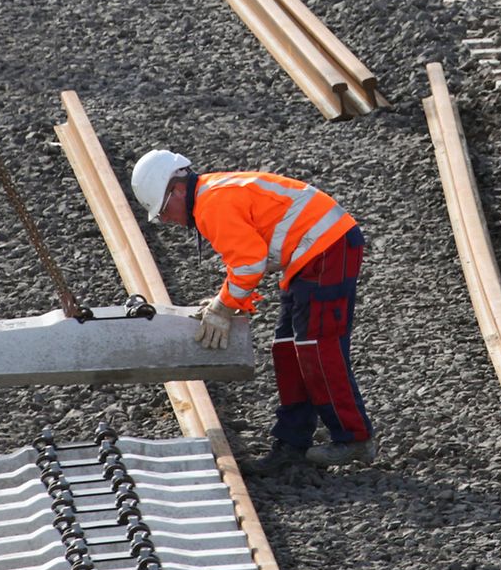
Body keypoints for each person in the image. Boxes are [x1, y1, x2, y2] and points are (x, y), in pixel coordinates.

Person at [129, 150, 375, 469]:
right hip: (313, 253)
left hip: (327, 249)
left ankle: (354, 438)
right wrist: (229, 302)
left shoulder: (211, 204)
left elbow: (249, 263)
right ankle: (292, 442)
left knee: (317, 347)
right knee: (287, 349)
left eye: (163, 211)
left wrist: (223, 307)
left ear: (176, 190)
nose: (167, 220)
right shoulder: (211, 195)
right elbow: (249, 258)